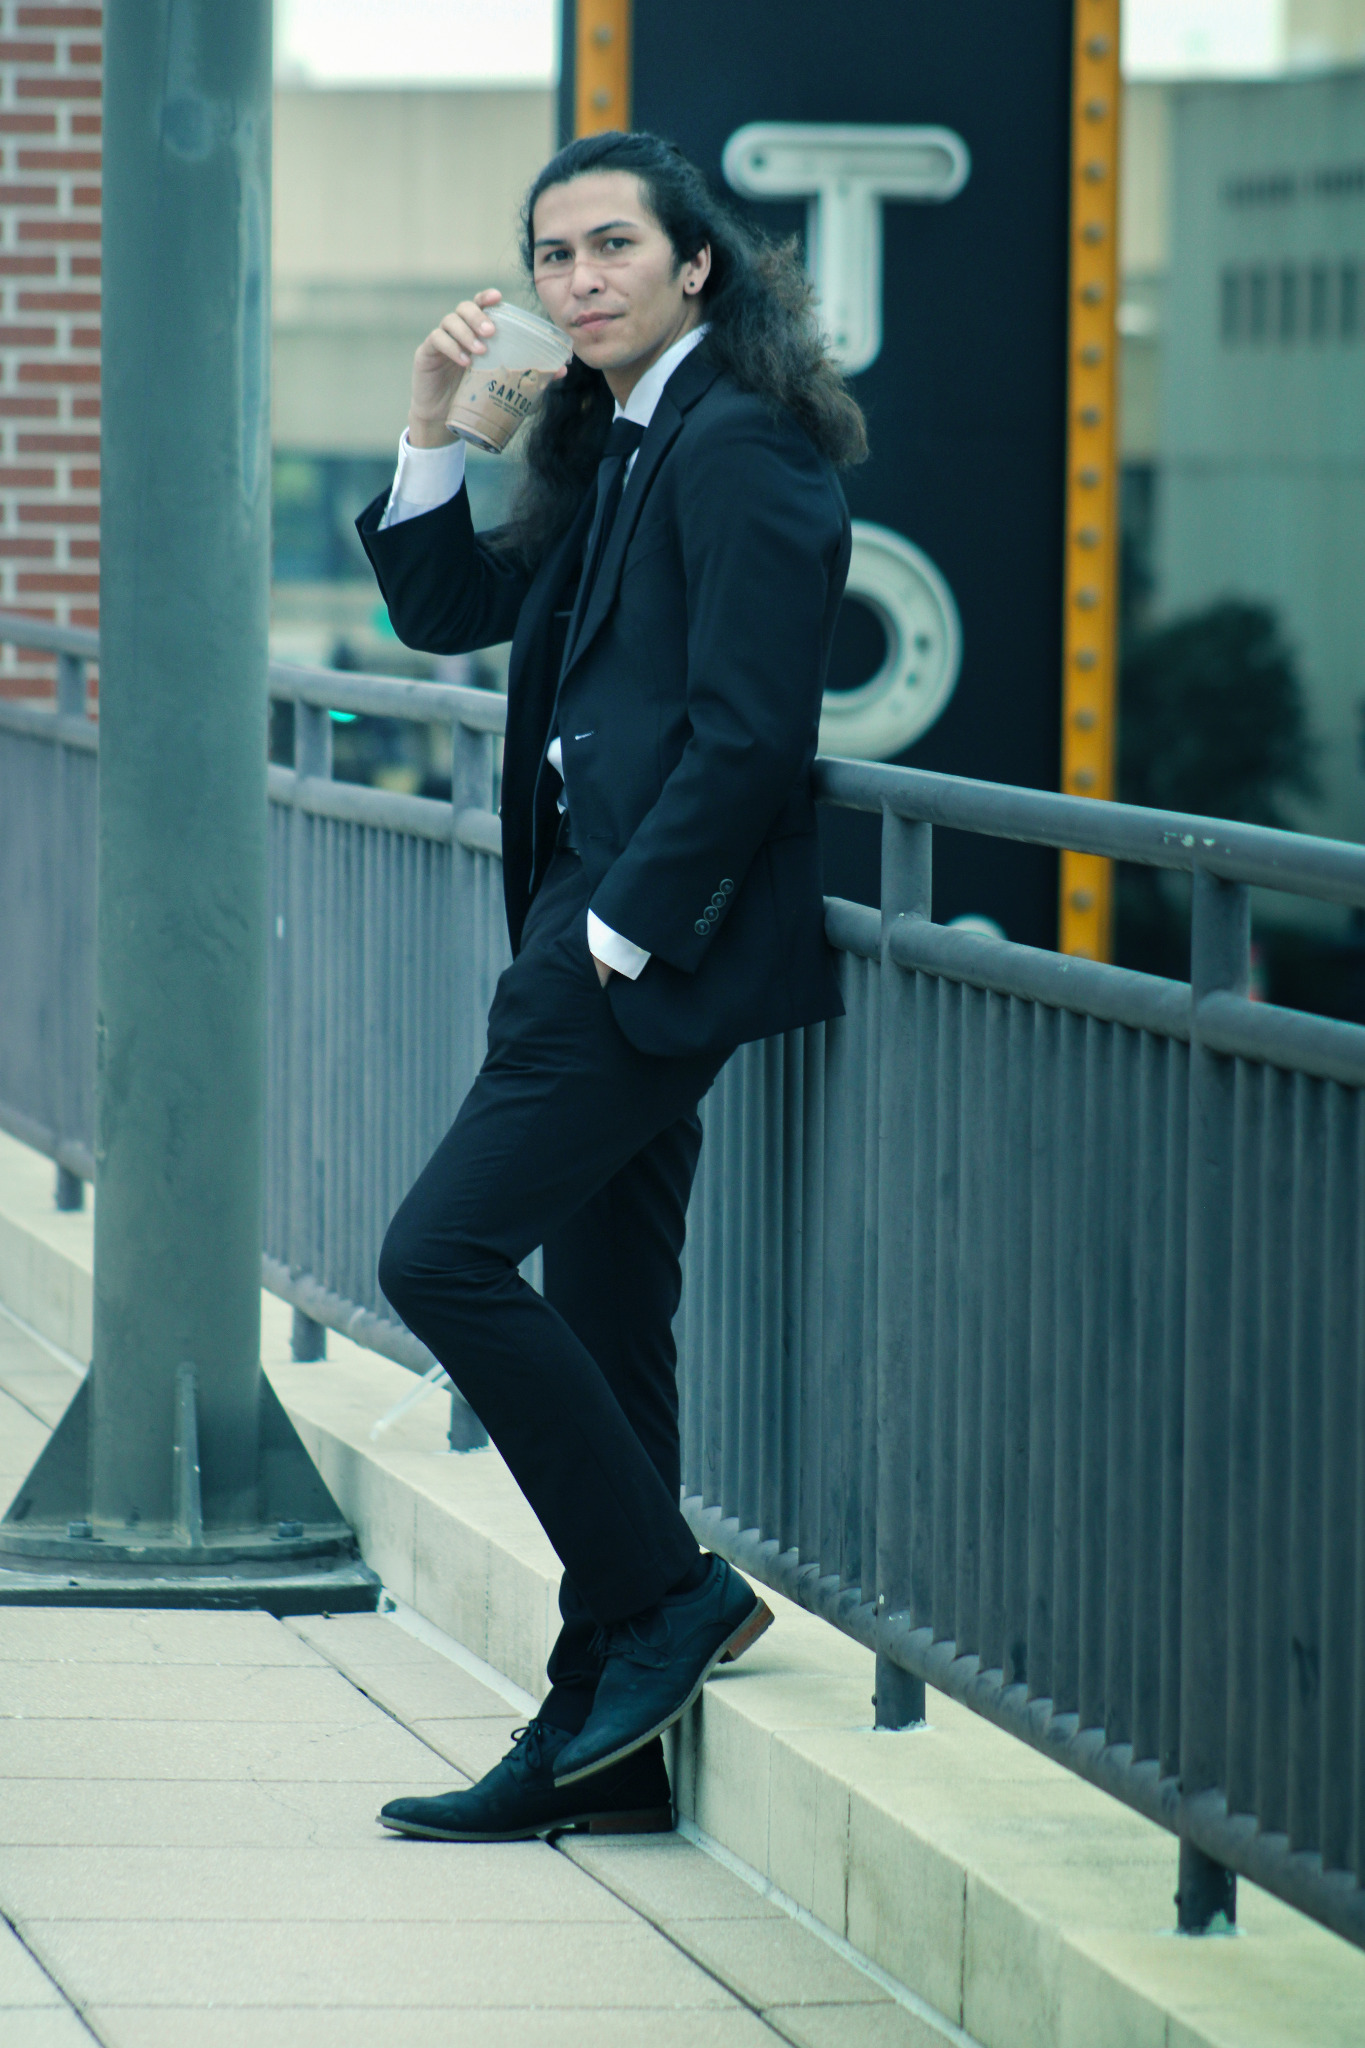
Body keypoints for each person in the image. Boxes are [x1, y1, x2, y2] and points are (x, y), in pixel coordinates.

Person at [359, 129, 866, 1843]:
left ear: (694, 264)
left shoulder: (743, 444)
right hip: (586, 928)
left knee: (435, 1256)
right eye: (551, 256)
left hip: (636, 942)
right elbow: (447, 610)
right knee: (603, 1320)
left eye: (610, 249)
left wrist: (619, 934)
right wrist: (437, 424)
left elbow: (752, 734)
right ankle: (607, 1747)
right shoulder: (618, 436)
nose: (576, 281)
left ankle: (668, 1596)